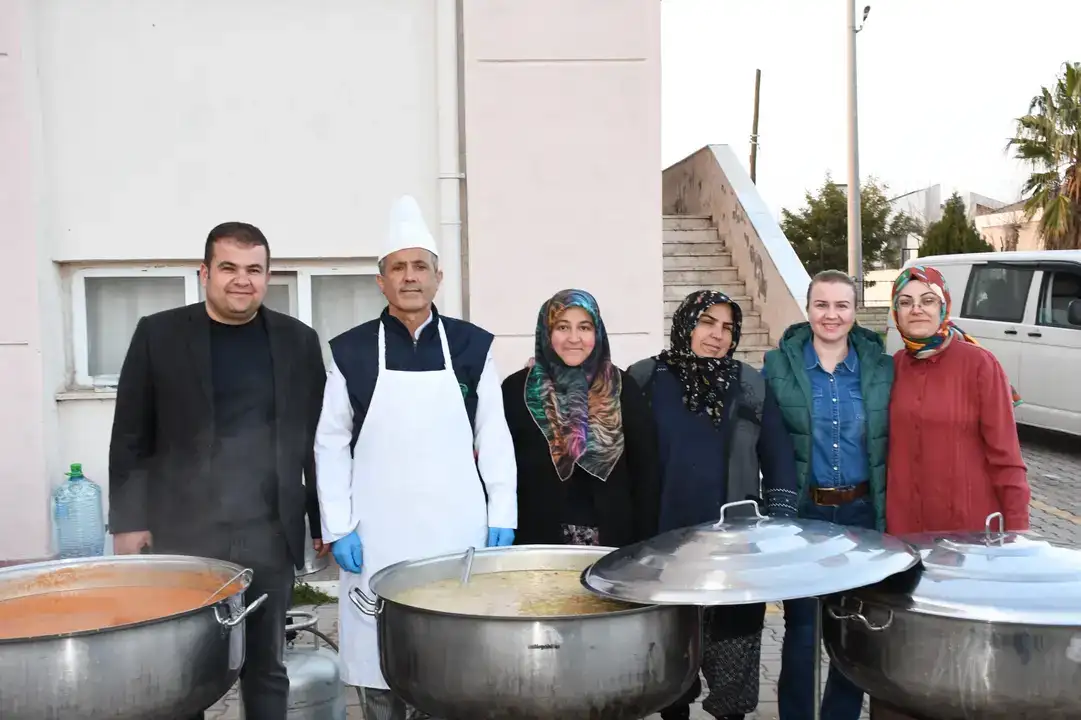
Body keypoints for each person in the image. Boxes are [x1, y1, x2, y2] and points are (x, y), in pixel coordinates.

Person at [109, 222, 328, 720]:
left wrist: (324, 518)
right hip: (183, 529)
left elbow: (317, 440)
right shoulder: (158, 334)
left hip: (268, 532)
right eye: (228, 267)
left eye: (254, 269)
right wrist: (127, 522)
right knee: (185, 667)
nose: (241, 280)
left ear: (268, 276)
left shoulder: (298, 341)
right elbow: (129, 435)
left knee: (266, 666)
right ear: (205, 272)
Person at [314, 195, 517, 720]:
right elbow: (331, 443)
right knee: (379, 668)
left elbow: (493, 434)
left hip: (457, 534)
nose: (410, 277)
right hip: (376, 537)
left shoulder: (473, 346)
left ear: (438, 277)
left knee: (452, 671)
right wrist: (338, 526)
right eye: (398, 267)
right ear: (380, 281)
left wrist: (502, 515)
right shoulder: (351, 350)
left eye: (420, 266)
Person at [627, 290, 798, 720]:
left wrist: (779, 527)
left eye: (727, 327)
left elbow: (777, 456)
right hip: (665, 545)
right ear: (686, 323)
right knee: (672, 659)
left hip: (733, 549)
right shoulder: (644, 379)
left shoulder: (750, 383)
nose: (716, 335)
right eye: (707, 322)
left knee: (734, 658)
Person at [762, 270, 894, 720]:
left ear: (855, 311)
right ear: (808, 308)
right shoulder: (780, 366)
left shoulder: (879, 368)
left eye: (842, 305)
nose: (831, 315)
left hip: (860, 517)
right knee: (801, 635)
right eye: (822, 305)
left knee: (851, 637)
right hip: (804, 518)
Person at [502, 288, 659, 548]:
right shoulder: (517, 390)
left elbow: (646, 473)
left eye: (584, 328)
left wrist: (644, 544)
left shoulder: (622, 388)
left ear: (597, 333)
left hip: (612, 541)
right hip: (537, 540)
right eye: (562, 327)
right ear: (547, 332)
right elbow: (503, 467)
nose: (574, 338)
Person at [885, 265, 1030, 534]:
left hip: (967, 532)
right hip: (902, 532)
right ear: (897, 312)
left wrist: (1017, 530)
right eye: (905, 302)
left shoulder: (979, 364)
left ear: (943, 307)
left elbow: (1006, 456)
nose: (917, 309)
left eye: (928, 300)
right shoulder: (892, 368)